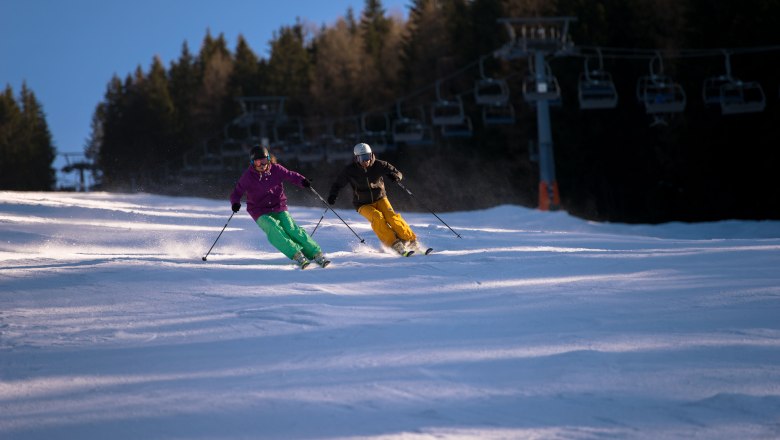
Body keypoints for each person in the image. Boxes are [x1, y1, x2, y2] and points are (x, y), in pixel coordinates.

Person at [230, 145, 330, 269]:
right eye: (257, 162)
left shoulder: (276, 169)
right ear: (252, 163)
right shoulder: (248, 177)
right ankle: (296, 254)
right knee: (273, 228)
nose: (262, 164)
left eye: (264, 161)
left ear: (268, 159)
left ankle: (316, 253)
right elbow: (237, 192)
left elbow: (290, 175)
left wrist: (302, 181)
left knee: (291, 228)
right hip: (259, 210)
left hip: (278, 206)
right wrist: (235, 202)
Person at [327, 142, 422, 257]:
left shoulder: (379, 165)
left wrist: (396, 176)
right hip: (362, 204)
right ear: (356, 158)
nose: (365, 161)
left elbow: (397, 172)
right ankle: (395, 243)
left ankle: (411, 240)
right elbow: (337, 184)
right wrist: (333, 195)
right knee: (377, 217)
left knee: (392, 217)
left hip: (380, 198)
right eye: (362, 158)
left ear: (371, 155)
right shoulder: (350, 170)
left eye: (367, 157)